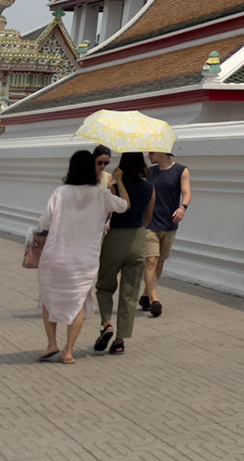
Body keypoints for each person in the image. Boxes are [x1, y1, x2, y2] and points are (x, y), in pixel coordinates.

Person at [35, 148, 127, 363]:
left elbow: (45, 222)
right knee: (78, 303)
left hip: (56, 256)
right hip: (85, 260)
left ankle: (51, 344)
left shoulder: (60, 192)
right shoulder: (101, 194)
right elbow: (124, 206)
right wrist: (118, 183)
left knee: (49, 299)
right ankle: (68, 351)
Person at [93, 152, 153, 356]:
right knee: (130, 292)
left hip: (116, 236)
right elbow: (148, 217)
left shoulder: (115, 186)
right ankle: (120, 341)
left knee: (104, 285)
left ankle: (106, 323)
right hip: (138, 238)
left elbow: (107, 213)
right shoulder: (149, 187)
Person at [139, 151, 189, 318]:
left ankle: (146, 295)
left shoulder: (181, 171)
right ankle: (155, 300)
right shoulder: (149, 172)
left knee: (160, 261)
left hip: (169, 223)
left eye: (151, 153)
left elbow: (186, 192)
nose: (149, 156)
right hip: (150, 223)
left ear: (162, 152)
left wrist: (182, 208)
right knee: (150, 260)